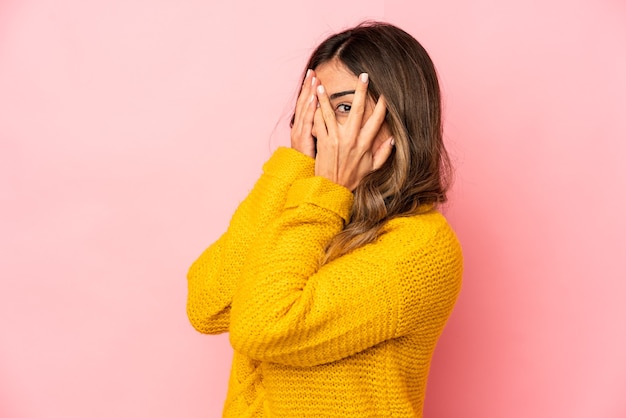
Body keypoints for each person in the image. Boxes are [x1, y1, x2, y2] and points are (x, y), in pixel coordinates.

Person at [187, 21, 463, 418]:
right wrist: (293, 167)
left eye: (345, 107)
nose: (322, 125)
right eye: (316, 106)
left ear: (398, 117)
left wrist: (322, 194)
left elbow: (263, 325)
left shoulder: (420, 248)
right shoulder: (315, 209)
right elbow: (207, 305)